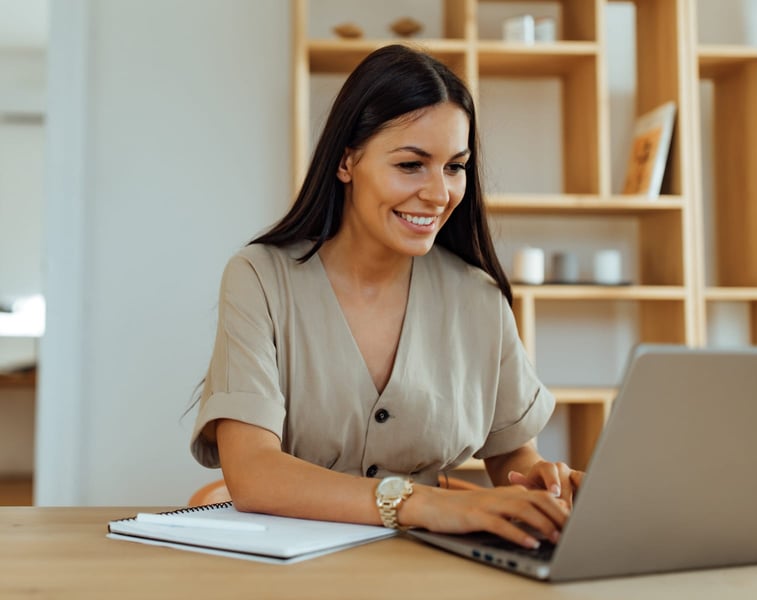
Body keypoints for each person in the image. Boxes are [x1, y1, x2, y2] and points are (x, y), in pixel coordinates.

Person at [190, 44, 583, 549]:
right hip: (291, 567)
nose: (440, 194)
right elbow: (254, 473)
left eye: (455, 167)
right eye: (412, 165)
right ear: (347, 160)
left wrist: (544, 486)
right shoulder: (260, 278)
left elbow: (513, 458)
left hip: (427, 563)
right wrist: (424, 504)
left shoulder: (479, 298)